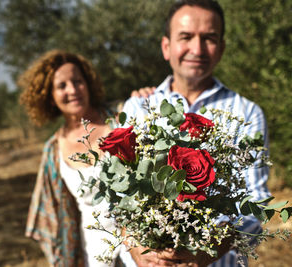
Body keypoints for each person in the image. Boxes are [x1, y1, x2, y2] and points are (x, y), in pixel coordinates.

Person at [122, 0, 271, 266]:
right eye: (186, 37)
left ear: (222, 48)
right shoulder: (138, 108)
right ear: (166, 47)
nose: (197, 48)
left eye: (209, 38)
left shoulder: (247, 113)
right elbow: (118, 201)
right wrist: (137, 252)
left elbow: (256, 205)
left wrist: (210, 249)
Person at [21, 50, 130, 267]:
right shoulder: (53, 151)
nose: (73, 90)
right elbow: (57, 216)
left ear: (88, 83)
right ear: (49, 96)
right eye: (62, 86)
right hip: (97, 255)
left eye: (78, 81)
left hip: (140, 247)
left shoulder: (121, 117)